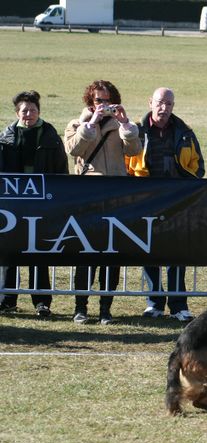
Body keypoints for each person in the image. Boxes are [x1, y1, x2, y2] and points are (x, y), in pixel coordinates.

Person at [65, 80, 141, 325]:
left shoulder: (121, 124)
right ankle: (81, 308)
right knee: (86, 255)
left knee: (111, 254)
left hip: (116, 195)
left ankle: (106, 309)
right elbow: (74, 150)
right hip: (88, 196)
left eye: (107, 100)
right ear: (90, 101)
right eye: (99, 100)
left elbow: (134, 151)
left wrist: (126, 124)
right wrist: (92, 123)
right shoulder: (77, 124)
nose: (103, 104)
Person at [126, 87, 205, 323]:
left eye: (169, 104)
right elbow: (127, 165)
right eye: (160, 103)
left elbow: (199, 166)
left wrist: (185, 184)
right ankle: (154, 303)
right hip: (146, 200)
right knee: (149, 251)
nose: (165, 108)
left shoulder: (185, 132)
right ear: (150, 102)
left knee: (176, 254)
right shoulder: (136, 131)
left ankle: (179, 305)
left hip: (177, 202)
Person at [0, 91, 68, 316]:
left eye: (32, 110)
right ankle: (7, 298)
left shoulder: (50, 135)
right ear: (17, 112)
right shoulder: (6, 136)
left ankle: (41, 302)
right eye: (24, 110)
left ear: (39, 111)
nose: (28, 114)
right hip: (12, 203)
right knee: (9, 251)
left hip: (42, 203)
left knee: (38, 252)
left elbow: (61, 169)